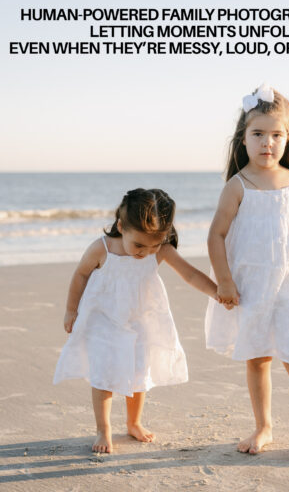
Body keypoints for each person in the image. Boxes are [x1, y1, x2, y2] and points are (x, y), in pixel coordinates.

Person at [205, 84, 289, 462]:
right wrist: (225, 280)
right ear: (243, 139)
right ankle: (263, 426)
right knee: (258, 357)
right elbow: (216, 235)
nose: (268, 143)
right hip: (252, 284)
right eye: (259, 134)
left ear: (288, 138)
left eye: (277, 135)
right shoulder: (238, 186)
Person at [54, 188, 219, 454]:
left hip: (142, 322)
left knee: (139, 374)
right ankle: (103, 429)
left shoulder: (160, 250)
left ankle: (133, 422)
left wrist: (216, 291)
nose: (146, 251)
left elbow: (189, 274)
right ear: (121, 226)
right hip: (104, 321)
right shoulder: (102, 248)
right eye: (140, 245)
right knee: (104, 376)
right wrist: (71, 310)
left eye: (154, 245)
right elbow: (80, 275)